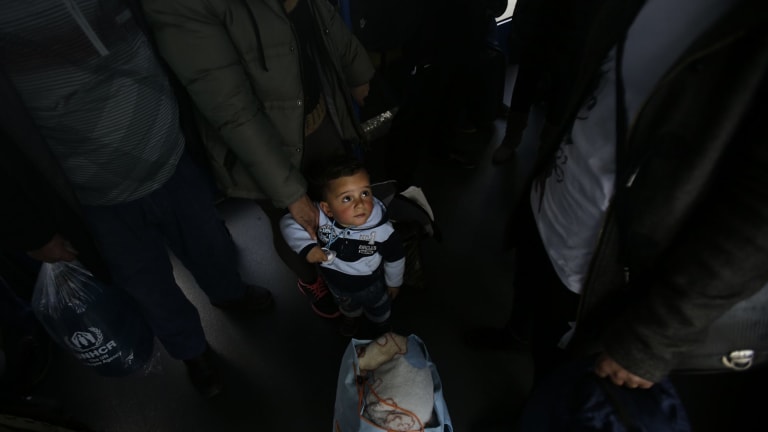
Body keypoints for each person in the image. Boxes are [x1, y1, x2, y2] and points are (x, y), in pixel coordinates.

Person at [475, 0, 768, 392]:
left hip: (610, 261)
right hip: (555, 200)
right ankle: (517, 335)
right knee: (531, 300)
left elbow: (756, 224)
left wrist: (652, 338)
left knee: (562, 378)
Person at [0, 0, 275, 398]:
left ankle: (229, 293)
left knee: (210, 242)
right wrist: (33, 232)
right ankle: (191, 350)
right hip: (95, 197)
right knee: (147, 286)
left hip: (172, 154)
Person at [141, 0, 376, 320]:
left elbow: (320, 14)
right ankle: (312, 282)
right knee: (297, 227)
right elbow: (230, 107)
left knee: (341, 209)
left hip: (320, 115)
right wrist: (290, 193)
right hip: (262, 147)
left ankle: (349, 274)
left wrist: (357, 71)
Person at [280, 157, 405, 337]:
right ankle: (351, 318)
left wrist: (394, 282)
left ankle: (382, 326)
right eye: (347, 198)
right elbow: (289, 221)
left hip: (370, 284)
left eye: (365, 193)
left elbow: (396, 257)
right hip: (335, 282)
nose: (360, 204)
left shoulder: (382, 231)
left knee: (378, 307)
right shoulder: (320, 216)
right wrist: (307, 247)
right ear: (328, 208)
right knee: (347, 306)